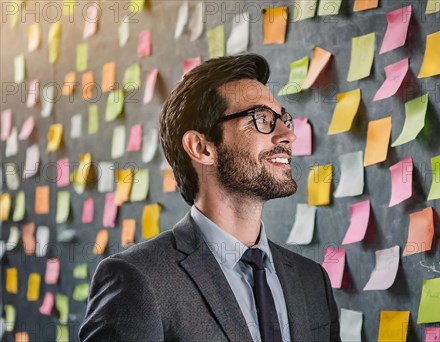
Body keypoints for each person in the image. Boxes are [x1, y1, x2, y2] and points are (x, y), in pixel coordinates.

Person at [79, 54, 340, 341]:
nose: (287, 134)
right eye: (261, 119)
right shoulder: (139, 280)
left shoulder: (312, 280)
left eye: (283, 119)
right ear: (202, 147)